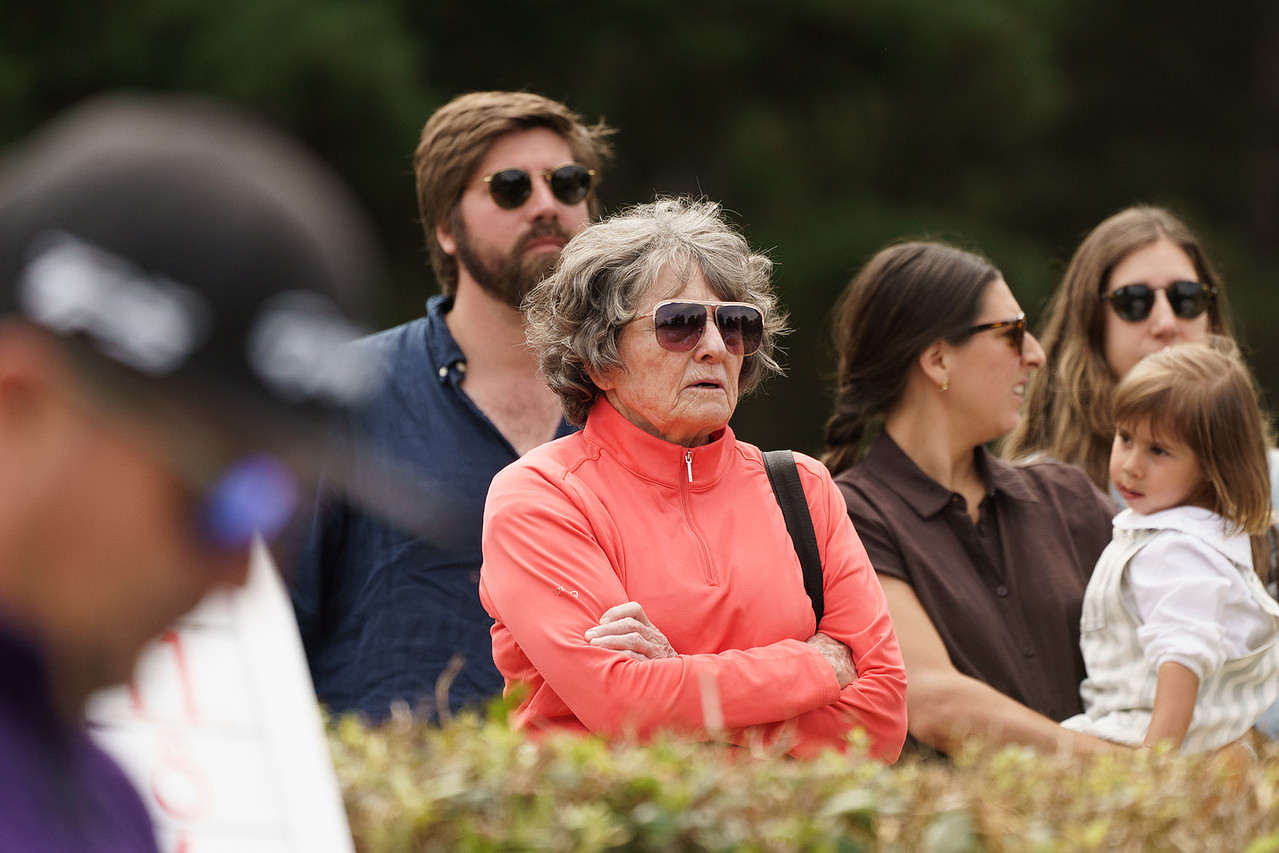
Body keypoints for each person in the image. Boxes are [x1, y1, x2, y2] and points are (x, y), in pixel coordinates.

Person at [0, 95, 382, 851]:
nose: (239, 575)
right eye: (226, 498)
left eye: (285, 513)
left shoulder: (102, 799)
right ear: (19, 405)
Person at [478, 197, 907, 761]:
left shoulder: (803, 488)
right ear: (599, 359)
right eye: (678, 324)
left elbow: (880, 724)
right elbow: (622, 703)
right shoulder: (541, 495)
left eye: (735, 324)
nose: (714, 347)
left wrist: (676, 683)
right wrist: (815, 667)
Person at [291, 92, 615, 721]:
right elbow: (269, 628)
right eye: (510, 188)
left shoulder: (643, 402)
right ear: (445, 228)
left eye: (568, 183)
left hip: (599, 780)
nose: (546, 205)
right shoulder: (344, 394)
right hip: (399, 779)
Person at [824, 241, 1118, 756]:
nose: (1036, 355)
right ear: (938, 360)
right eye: (1012, 333)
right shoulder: (846, 516)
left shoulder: (1068, 498)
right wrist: (1139, 773)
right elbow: (935, 703)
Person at [1061, 338, 1279, 753]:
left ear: (1213, 465)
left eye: (1158, 451)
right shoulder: (1207, 535)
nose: (1131, 466)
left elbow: (1182, 659)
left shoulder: (1176, 550)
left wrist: (1155, 762)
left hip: (1143, 735)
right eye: (1125, 437)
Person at [1004, 204, 1279, 506]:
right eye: (1134, 301)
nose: (1166, 323)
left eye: (1186, 297)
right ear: (1092, 323)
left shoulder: (1272, 484)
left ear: (1211, 317)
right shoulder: (1038, 495)